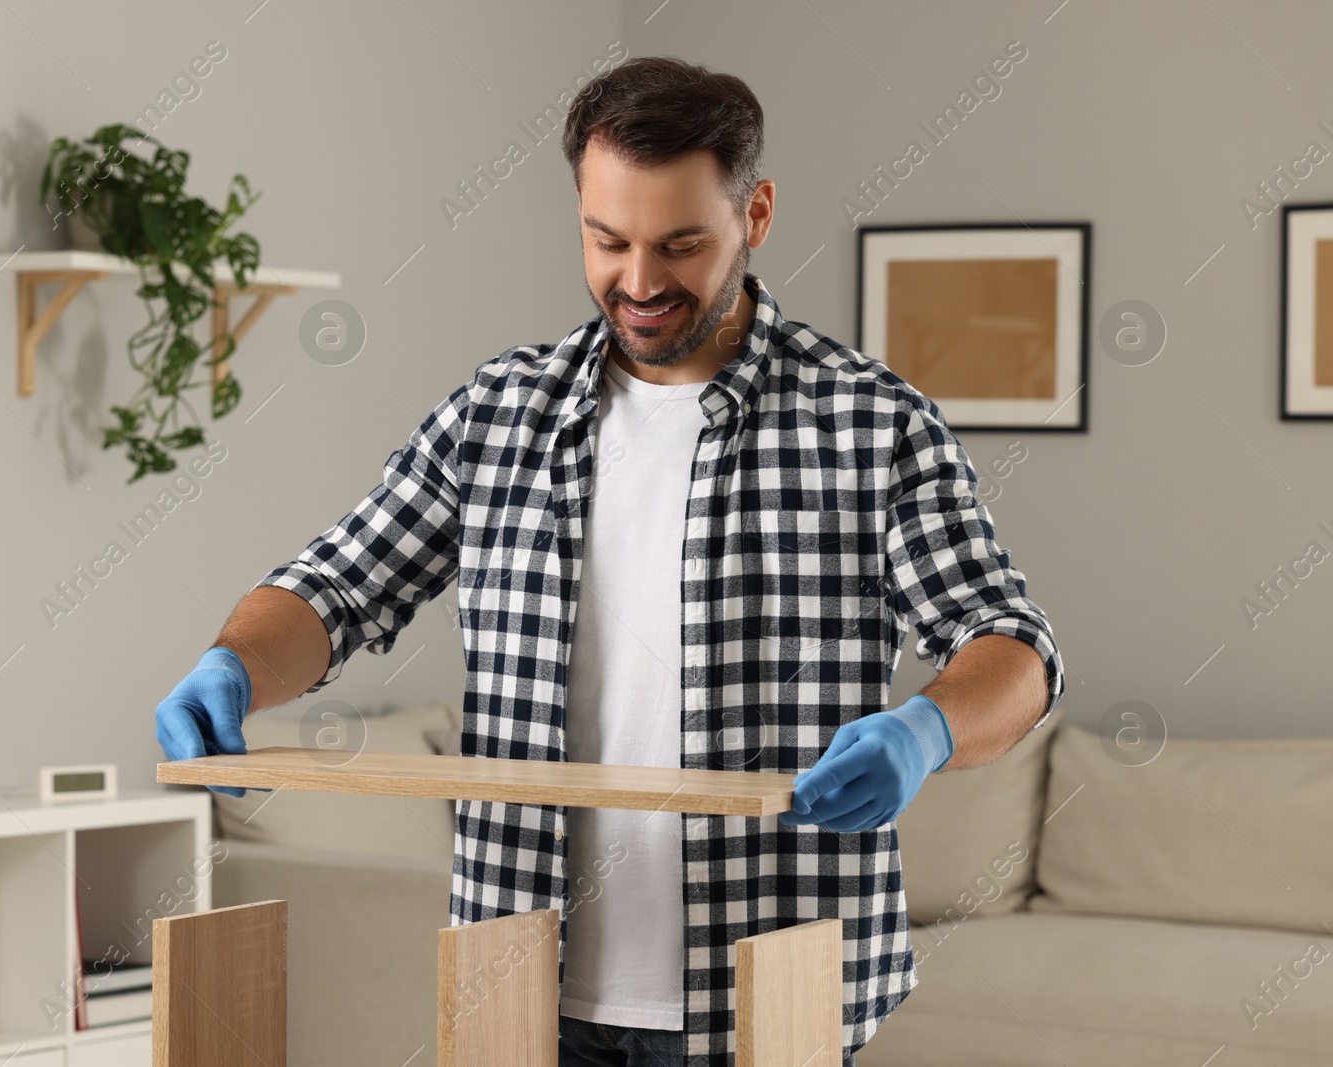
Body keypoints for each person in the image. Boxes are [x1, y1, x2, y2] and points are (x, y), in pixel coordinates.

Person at [155, 54, 1064, 1067]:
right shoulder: (498, 414)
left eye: (680, 244)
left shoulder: (869, 422)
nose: (638, 283)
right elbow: (337, 587)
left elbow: (1010, 647)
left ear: (754, 214)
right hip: (518, 980)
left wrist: (925, 728)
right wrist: (236, 661)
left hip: (769, 990)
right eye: (607, 240)